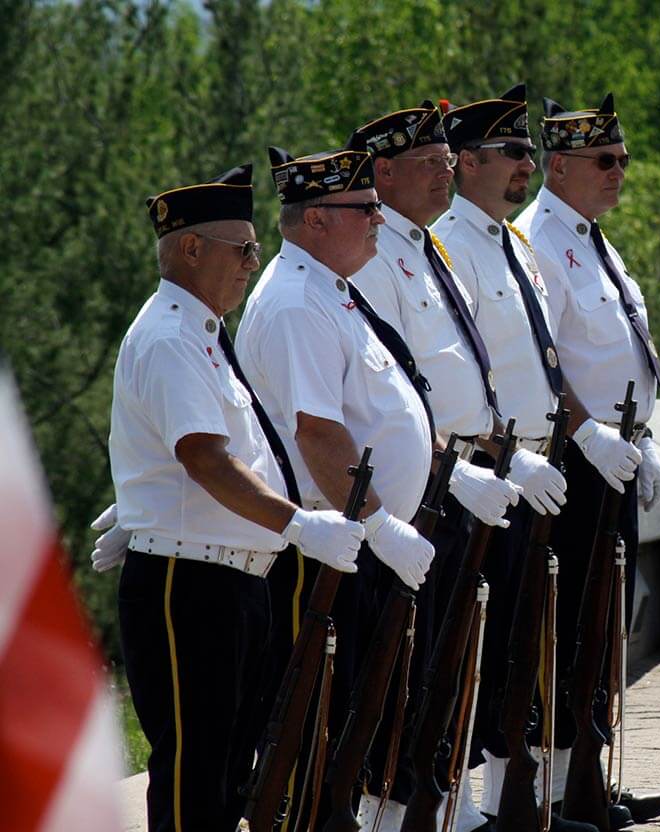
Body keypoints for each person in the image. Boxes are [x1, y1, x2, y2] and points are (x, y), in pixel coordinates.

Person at [95, 164, 365, 831]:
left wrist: (139, 497)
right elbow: (205, 460)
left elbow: (223, 453)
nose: (253, 262)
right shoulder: (171, 336)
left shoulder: (203, 334)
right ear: (191, 249)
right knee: (196, 770)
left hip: (230, 576)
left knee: (230, 768)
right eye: (241, 248)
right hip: (189, 581)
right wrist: (300, 524)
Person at [347, 99, 564, 831]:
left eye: (447, 159)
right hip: (428, 483)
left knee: (465, 648)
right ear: (382, 173)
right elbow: (393, 389)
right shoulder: (378, 256)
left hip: (473, 469)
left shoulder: (421, 246)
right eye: (429, 161)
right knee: (417, 653)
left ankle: (449, 800)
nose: (444, 171)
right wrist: (459, 464)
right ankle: (398, 805)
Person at [433, 83, 643, 831]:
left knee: (542, 637)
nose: (523, 164)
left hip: (539, 462)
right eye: (513, 152)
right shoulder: (453, 243)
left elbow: (543, 360)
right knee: (482, 647)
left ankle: (534, 799)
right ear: (465, 162)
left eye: (527, 151)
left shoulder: (511, 242)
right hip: (489, 470)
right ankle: (476, 807)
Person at [234, 145, 444, 829]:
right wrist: (381, 526)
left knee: (360, 710)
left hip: (357, 542)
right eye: (366, 208)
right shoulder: (297, 301)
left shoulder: (331, 290)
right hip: (326, 545)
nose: (380, 219)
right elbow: (317, 432)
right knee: (319, 715)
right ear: (317, 219)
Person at [513, 91, 660, 825]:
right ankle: (553, 790)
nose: (618, 173)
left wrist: (641, 442)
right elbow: (545, 364)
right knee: (570, 622)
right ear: (560, 165)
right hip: (574, 458)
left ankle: (591, 780)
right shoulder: (539, 238)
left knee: (606, 626)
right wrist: (591, 435)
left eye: (623, 160)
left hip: (614, 454)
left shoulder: (587, 234)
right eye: (604, 161)